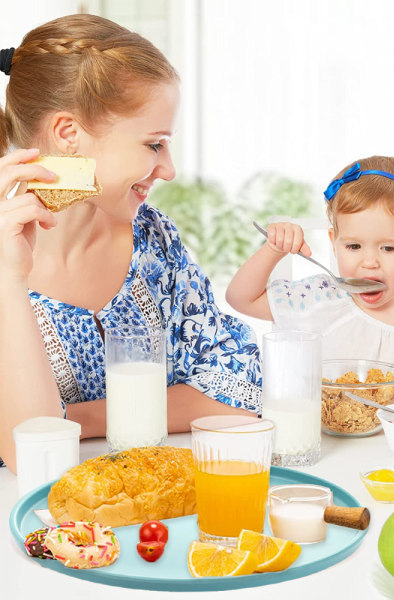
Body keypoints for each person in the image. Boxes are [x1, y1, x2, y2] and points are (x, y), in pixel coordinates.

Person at [0, 14, 261, 472]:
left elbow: (239, 389)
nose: (169, 169)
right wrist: (8, 276)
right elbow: (29, 453)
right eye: (154, 144)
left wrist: (78, 418)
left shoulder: (154, 240)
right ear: (69, 135)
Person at [227, 156, 394, 407]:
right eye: (354, 246)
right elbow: (241, 298)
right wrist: (273, 249)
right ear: (334, 243)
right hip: (324, 442)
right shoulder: (319, 299)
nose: (369, 262)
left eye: (388, 248)